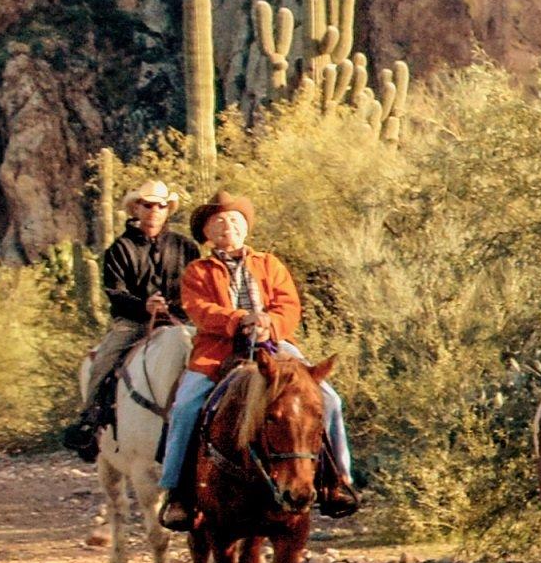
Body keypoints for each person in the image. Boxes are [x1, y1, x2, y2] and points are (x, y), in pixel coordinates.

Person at [157, 195, 358, 518]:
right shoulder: (198, 271)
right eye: (219, 222)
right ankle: (177, 490)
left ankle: (336, 481)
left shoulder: (269, 264)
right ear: (207, 233)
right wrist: (238, 320)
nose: (228, 227)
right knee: (185, 407)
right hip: (218, 349)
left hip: (274, 345)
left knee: (329, 400)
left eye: (234, 221)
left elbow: (289, 304)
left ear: (246, 227)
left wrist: (270, 323)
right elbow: (199, 309)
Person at [73, 180, 193, 458]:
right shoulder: (119, 249)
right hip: (134, 321)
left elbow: (194, 286)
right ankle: (90, 420)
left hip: (178, 319)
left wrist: (171, 305)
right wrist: (144, 306)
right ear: (136, 208)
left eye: (161, 205)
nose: (154, 210)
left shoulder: (186, 248)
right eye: (147, 205)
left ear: (168, 210)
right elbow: (115, 291)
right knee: (106, 357)